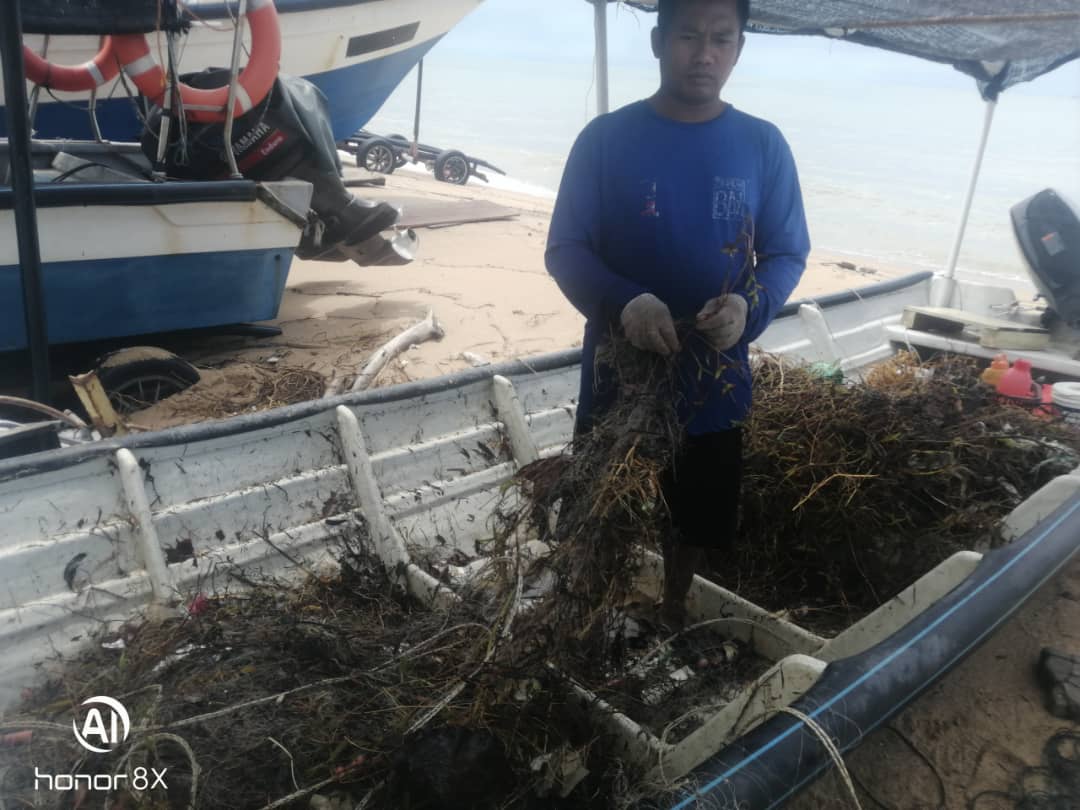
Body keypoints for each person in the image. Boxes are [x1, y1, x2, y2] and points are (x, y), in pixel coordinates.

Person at [545, 0, 810, 625]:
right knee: (601, 496)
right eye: (690, 36)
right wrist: (622, 303)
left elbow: (787, 251)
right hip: (622, 365)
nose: (706, 52)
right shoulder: (605, 140)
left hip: (715, 370)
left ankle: (673, 604)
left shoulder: (762, 145)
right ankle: (585, 604)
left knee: (696, 507)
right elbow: (565, 249)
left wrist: (752, 305)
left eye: (722, 38)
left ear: (740, 48)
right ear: (661, 41)